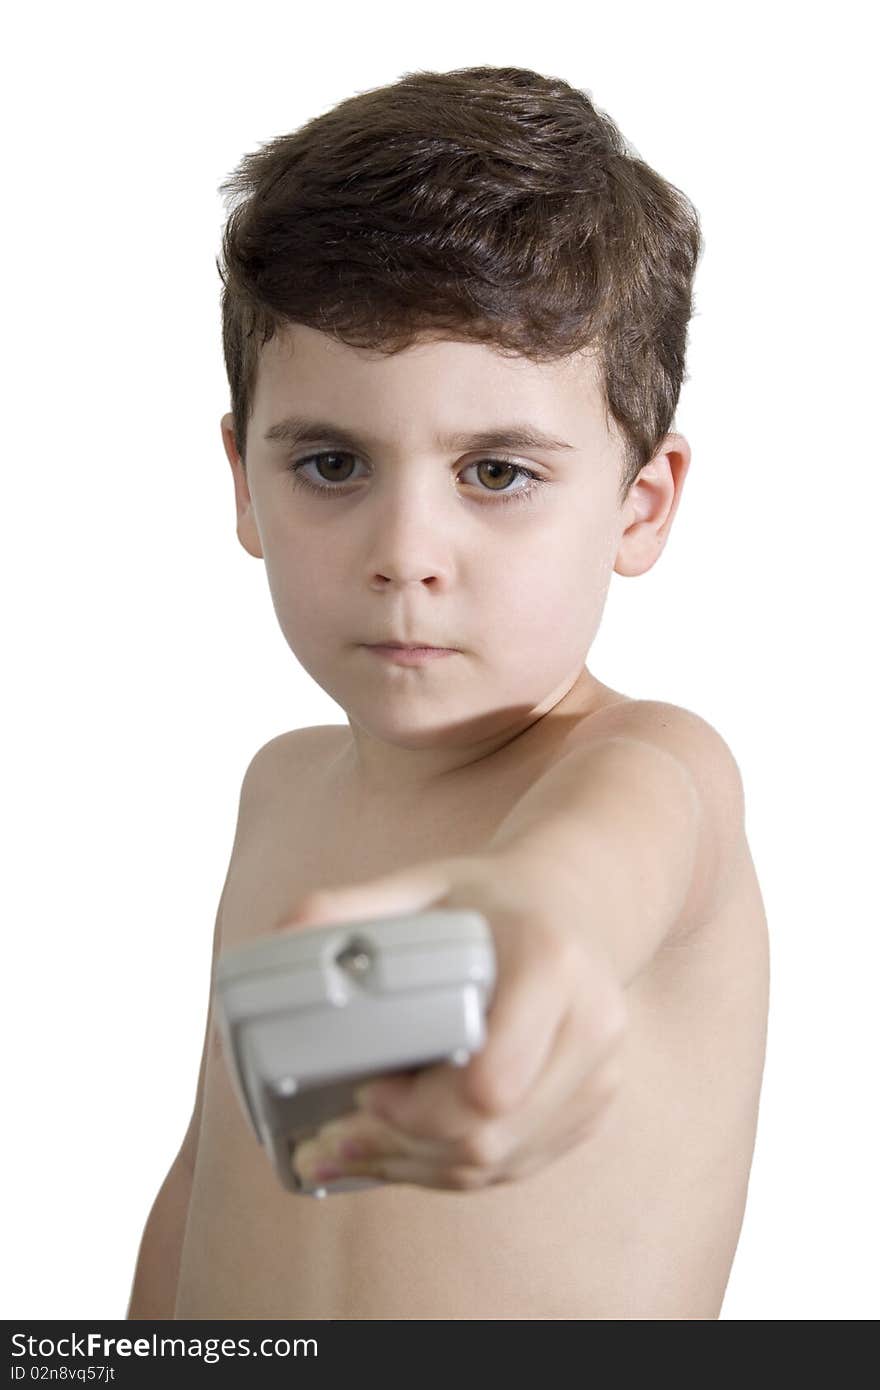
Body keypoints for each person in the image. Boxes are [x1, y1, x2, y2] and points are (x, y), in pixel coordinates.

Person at [126, 64, 769, 1320]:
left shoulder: (652, 766)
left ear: (642, 505)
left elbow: (591, 877)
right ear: (245, 485)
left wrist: (540, 923)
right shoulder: (278, 787)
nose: (405, 548)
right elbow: (213, 1168)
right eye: (330, 461)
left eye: (494, 471)